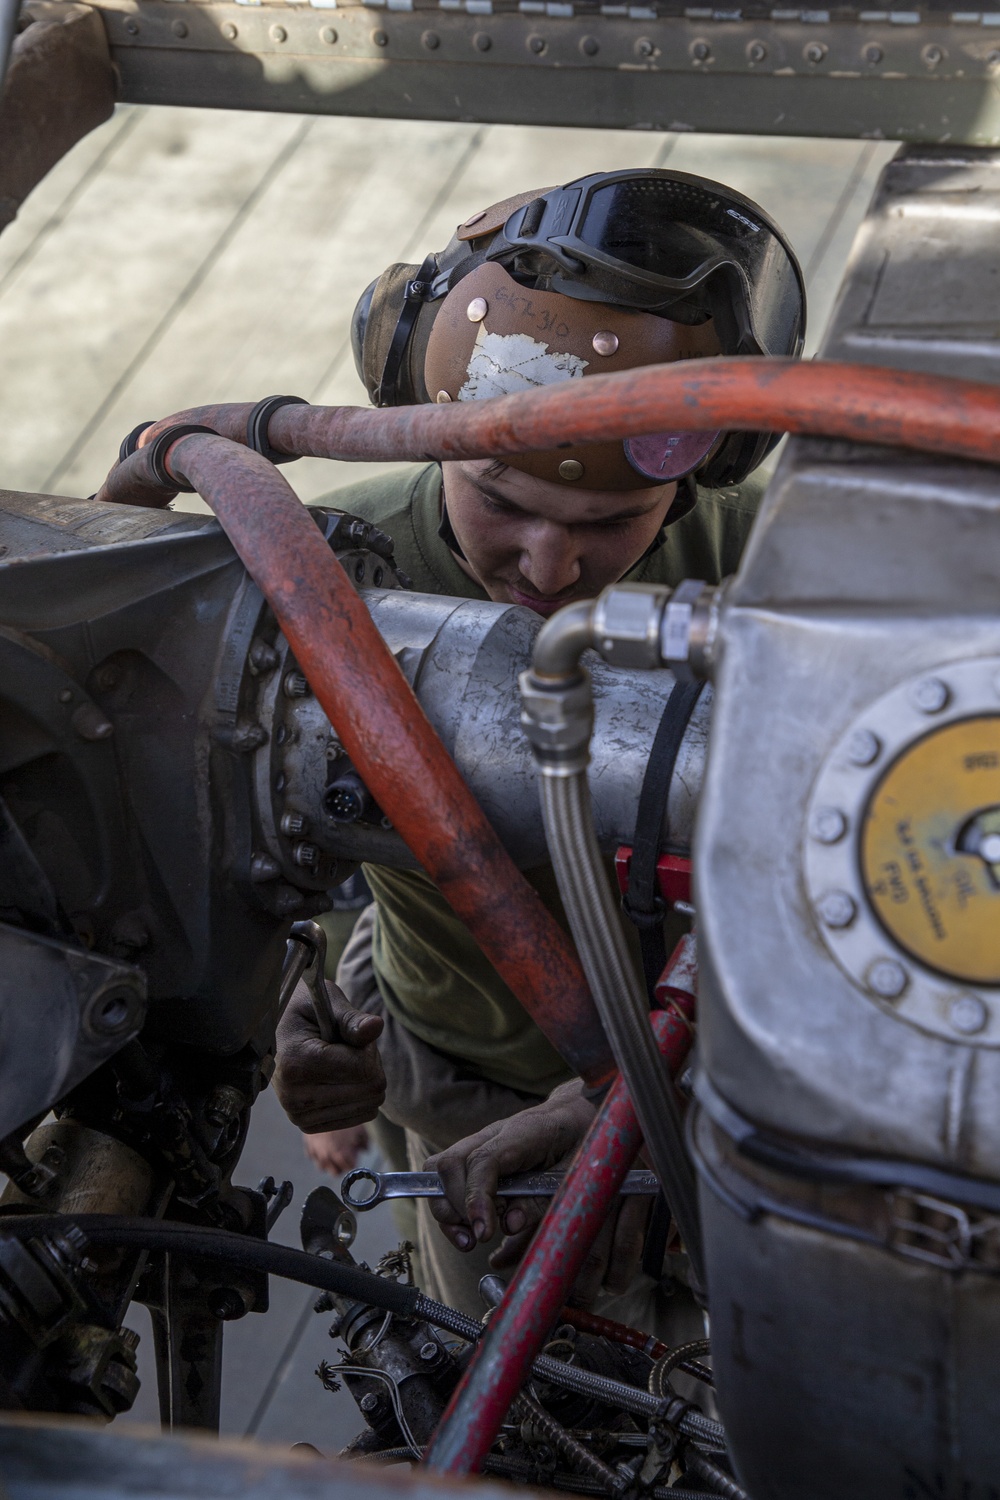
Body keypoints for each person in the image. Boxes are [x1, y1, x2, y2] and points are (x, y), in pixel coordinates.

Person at [274, 168, 805, 1328]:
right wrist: (294, 1016)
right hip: (448, 1063)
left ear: (703, 469)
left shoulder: (777, 576)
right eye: (498, 499)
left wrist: (648, 1086)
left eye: (609, 524)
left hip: (703, 1068)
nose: (548, 570)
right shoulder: (320, 579)